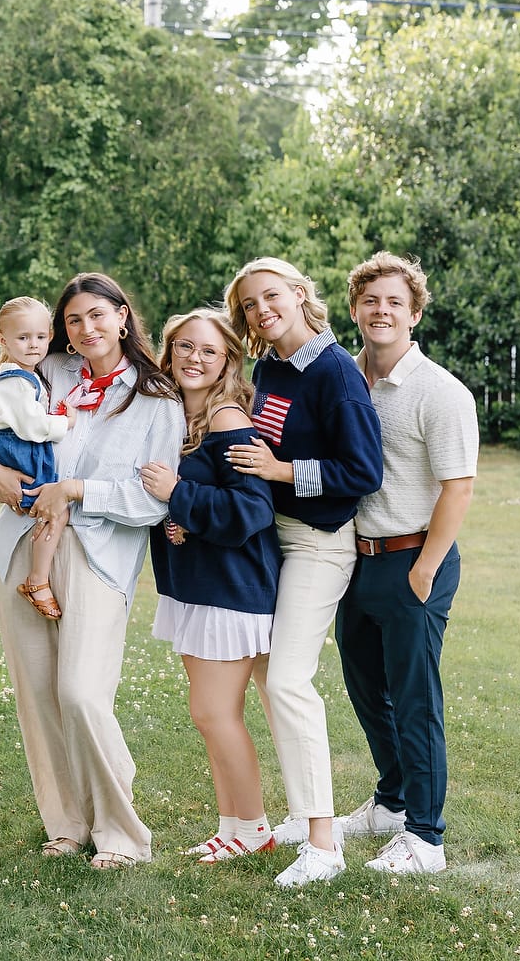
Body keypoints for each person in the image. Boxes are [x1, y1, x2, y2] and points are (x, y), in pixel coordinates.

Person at [0, 272, 184, 870]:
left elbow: (152, 501)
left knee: (80, 691)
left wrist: (77, 489)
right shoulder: (43, 373)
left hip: (99, 553)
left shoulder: (158, 399)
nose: (86, 328)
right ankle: (67, 824)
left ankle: (121, 833)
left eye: (97, 315)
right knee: (39, 695)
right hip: (23, 541)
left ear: (123, 316)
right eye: (73, 320)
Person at [222, 256, 383, 887]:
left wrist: (283, 473)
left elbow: (363, 472)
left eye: (271, 297)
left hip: (320, 541)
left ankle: (325, 845)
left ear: (298, 293)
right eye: (250, 307)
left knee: (288, 680)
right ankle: (300, 813)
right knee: (270, 679)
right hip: (271, 537)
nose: (262, 311)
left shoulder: (337, 374)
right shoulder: (269, 369)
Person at [336, 252, 478, 874]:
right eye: (371, 301)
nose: (382, 311)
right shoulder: (345, 380)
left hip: (414, 559)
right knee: (367, 691)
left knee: (415, 699)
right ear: (355, 310)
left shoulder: (440, 392)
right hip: (354, 563)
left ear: (414, 313)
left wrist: (424, 569)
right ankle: (392, 801)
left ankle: (425, 836)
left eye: (395, 302)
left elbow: (459, 487)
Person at [141, 308, 279, 864]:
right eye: (184, 348)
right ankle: (233, 826)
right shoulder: (175, 419)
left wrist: (179, 496)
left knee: (215, 712)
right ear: (168, 353)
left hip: (232, 589)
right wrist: (178, 510)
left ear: (227, 360)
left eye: (209, 351)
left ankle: (255, 828)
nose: (195, 359)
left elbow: (252, 511)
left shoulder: (226, 421)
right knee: (209, 715)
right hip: (193, 585)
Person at [0, 296, 74, 620]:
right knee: (54, 513)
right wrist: (65, 422)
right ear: (2, 339)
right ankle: (37, 580)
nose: (33, 345)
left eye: (40, 336)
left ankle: (38, 577)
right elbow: (33, 427)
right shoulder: (14, 381)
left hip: (21, 452)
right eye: (23, 338)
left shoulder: (26, 375)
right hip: (19, 454)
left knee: (50, 513)